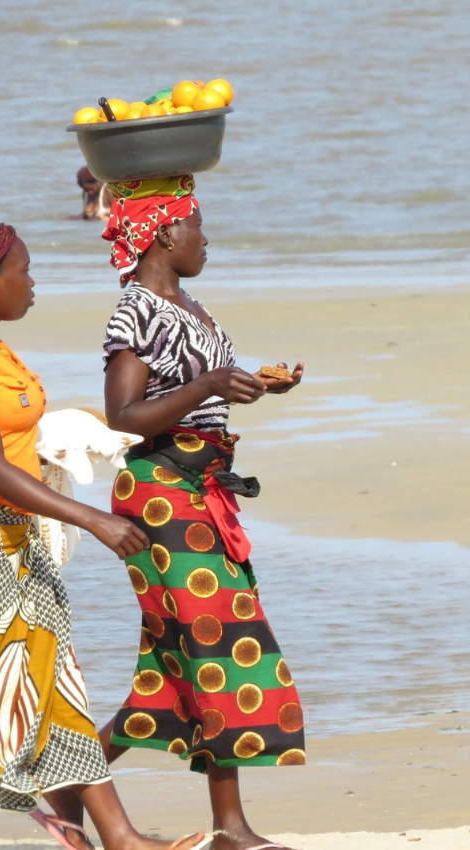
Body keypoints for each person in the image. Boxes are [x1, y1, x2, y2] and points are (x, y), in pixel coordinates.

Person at [0, 222, 204, 850]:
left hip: (15, 535)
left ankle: (119, 839)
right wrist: (92, 517)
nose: (32, 283)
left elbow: (16, 441)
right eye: (24, 271)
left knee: (57, 676)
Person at [94, 176, 306, 850]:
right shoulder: (135, 310)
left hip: (201, 490)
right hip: (162, 493)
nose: (206, 238)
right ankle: (230, 827)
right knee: (218, 641)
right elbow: (124, 417)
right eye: (197, 227)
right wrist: (209, 384)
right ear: (164, 233)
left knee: (176, 665)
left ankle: (71, 791)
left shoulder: (192, 305)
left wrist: (249, 386)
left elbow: (200, 395)